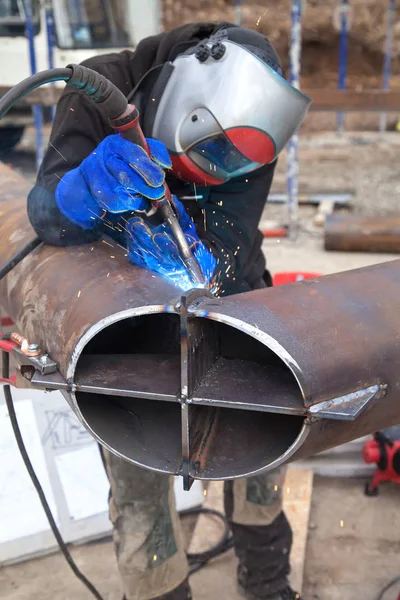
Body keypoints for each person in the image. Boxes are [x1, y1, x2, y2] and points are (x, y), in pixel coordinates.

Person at [28, 21, 309, 600]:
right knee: (137, 477)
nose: (215, 175)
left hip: (236, 300)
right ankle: (158, 589)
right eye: (210, 156)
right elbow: (45, 213)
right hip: (123, 321)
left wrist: (207, 256)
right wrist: (80, 194)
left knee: (262, 440)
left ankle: (266, 572)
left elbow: (231, 238)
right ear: (185, 106)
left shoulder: (257, 115)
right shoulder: (98, 86)